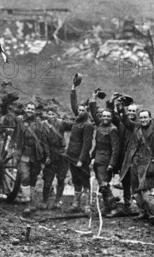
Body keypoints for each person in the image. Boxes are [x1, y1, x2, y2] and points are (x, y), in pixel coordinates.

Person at [119, 108, 154, 226]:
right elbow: (125, 120)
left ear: (150, 118)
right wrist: (121, 108)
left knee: (145, 191)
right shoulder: (136, 127)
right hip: (134, 163)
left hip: (148, 164)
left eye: (145, 117)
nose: (143, 120)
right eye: (141, 118)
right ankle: (143, 211)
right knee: (135, 190)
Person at [11, 101, 51, 214]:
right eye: (28, 108)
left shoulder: (38, 123)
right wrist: (12, 148)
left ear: (35, 111)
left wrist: (47, 154)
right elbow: (15, 135)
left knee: (33, 178)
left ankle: (31, 201)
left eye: (32, 109)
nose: (30, 111)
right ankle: (27, 202)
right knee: (25, 177)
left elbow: (44, 140)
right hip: (23, 153)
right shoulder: (19, 120)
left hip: (36, 155)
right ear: (25, 109)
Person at [67, 74, 95, 213]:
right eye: (80, 109)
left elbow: (87, 144)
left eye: (83, 110)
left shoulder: (88, 124)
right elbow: (73, 103)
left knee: (85, 180)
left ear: (87, 111)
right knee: (75, 180)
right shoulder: (78, 119)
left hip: (80, 158)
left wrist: (81, 160)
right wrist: (73, 88)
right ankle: (76, 204)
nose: (81, 111)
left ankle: (87, 205)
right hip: (71, 155)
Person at [90, 107, 120, 217]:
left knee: (104, 185)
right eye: (104, 116)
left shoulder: (113, 129)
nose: (106, 118)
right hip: (98, 159)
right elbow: (97, 144)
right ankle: (107, 207)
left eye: (108, 116)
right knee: (101, 185)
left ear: (111, 117)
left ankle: (114, 208)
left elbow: (115, 149)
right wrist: (92, 157)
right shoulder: (100, 126)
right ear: (101, 117)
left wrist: (112, 163)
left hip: (106, 160)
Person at [40, 107, 70, 210]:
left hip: (62, 155)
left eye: (53, 115)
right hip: (50, 154)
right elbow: (43, 142)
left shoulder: (62, 123)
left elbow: (72, 125)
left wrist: (67, 118)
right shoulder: (43, 125)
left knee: (61, 179)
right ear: (46, 115)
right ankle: (45, 201)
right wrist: (47, 156)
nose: (51, 117)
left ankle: (58, 201)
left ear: (56, 115)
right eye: (49, 114)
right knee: (48, 181)